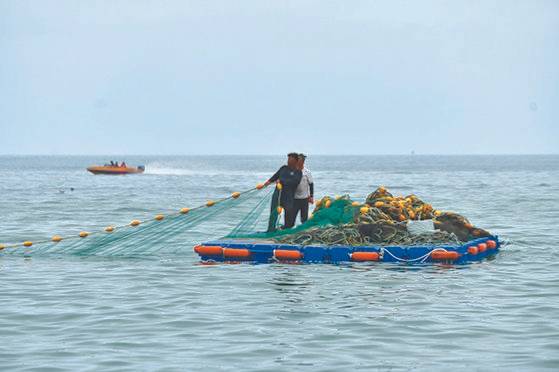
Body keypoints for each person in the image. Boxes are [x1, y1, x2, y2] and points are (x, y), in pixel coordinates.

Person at [264, 153, 302, 230]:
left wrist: (281, 181)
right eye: (288, 159)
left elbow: (295, 182)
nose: (288, 161)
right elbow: (276, 176)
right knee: (274, 212)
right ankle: (271, 229)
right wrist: (268, 181)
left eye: (291, 159)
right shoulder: (283, 168)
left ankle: (286, 229)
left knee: (288, 213)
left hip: (288, 196)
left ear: (296, 161)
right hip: (277, 194)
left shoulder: (298, 172)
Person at [293, 154, 314, 224]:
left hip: (304, 199)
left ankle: (303, 232)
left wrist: (311, 196)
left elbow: (311, 184)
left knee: (304, 220)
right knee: (291, 219)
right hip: (294, 199)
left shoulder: (307, 172)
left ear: (302, 162)